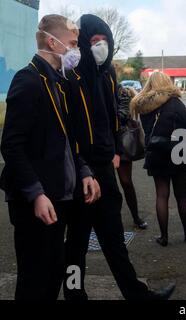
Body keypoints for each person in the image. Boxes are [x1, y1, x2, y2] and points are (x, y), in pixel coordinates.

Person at [63, 14, 175, 300]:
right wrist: (83, 167)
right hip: (80, 172)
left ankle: (137, 294)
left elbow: (112, 118)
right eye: (93, 41)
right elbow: (69, 128)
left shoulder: (108, 75)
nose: (99, 46)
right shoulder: (73, 77)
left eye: (104, 41)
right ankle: (75, 293)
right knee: (76, 243)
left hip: (104, 170)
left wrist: (114, 150)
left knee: (113, 240)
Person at [0, 14, 100, 300]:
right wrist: (35, 193)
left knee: (54, 274)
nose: (75, 50)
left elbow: (66, 139)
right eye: (71, 44)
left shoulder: (59, 81)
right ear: (50, 42)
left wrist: (84, 170)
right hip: (37, 202)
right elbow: (11, 146)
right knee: (33, 282)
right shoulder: (28, 80)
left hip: (60, 197)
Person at [131, 72, 186, 247]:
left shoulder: (142, 105)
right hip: (178, 152)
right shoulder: (174, 102)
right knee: (181, 194)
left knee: (161, 194)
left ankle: (164, 237)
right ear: (167, 83)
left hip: (156, 153)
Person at [117, 85, 148, 229]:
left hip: (121, 142)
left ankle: (136, 217)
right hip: (101, 143)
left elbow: (123, 115)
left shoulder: (121, 91)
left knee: (126, 182)